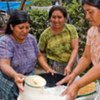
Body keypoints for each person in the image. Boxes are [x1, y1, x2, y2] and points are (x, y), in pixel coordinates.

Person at [0, 10, 55, 100]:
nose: (25, 31)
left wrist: (47, 69)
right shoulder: (5, 42)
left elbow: (39, 55)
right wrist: (15, 75)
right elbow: (4, 64)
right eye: (21, 28)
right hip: (12, 81)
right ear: (11, 27)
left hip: (30, 80)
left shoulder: (31, 38)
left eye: (27, 27)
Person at [57, 0, 100, 99]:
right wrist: (74, 74)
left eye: (90, 12)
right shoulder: (92, 32)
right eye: (85, 12)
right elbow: (86, 57)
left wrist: (77, 85)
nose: (87, 17)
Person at [38, 6, 79, 75]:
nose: (56, 20)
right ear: (50, 18)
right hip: (55, 67)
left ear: (65, 18)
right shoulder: (45, 35)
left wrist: (69, 65)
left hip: (72, 63)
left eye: (59, 17)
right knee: (58, 85)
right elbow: (40, 54)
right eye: (54, 17)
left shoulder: (71, 29)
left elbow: (75, 48)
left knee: (74, 84)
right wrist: (48, 69)